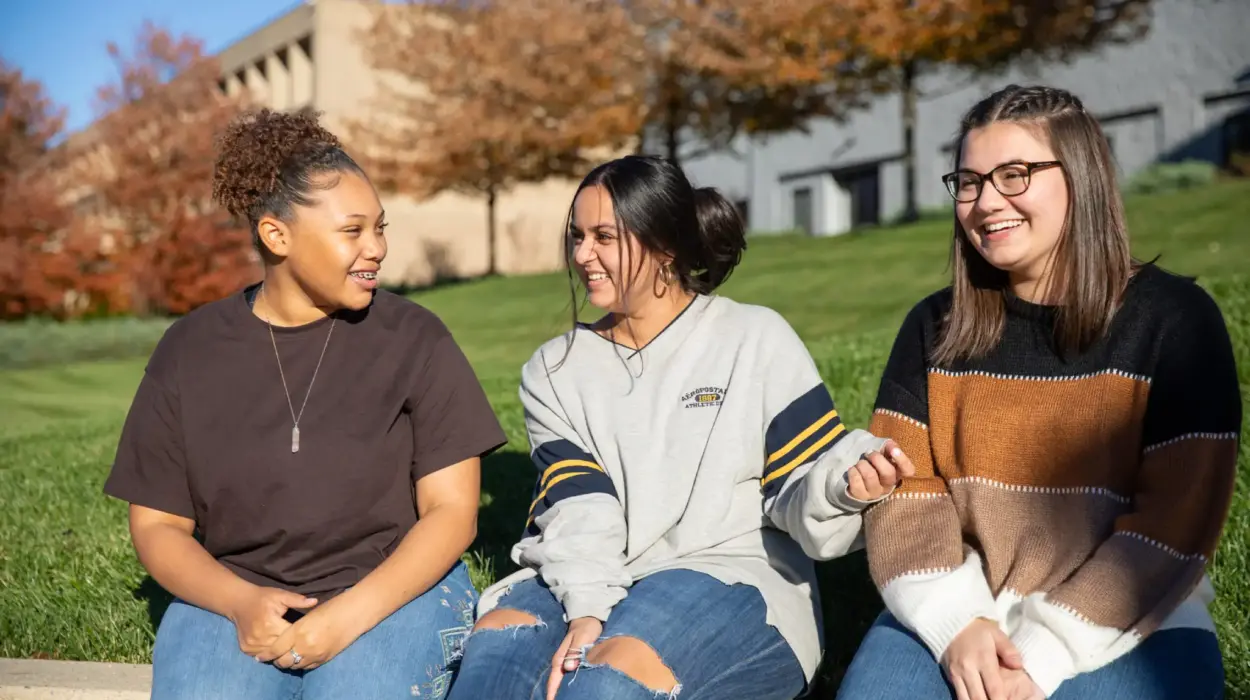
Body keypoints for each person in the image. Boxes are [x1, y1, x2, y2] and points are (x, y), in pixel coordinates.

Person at [445, 154, 915, 700]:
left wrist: (845, 485)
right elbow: (579, 508)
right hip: (585, 572)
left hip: (732, 573)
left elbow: (802, 479)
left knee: (605, 684)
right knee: (493, 674)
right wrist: (590, 608)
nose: (582, 255)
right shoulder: (554, 369)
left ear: (665, 246)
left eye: (604, 236)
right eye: (577, 236)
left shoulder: (753, 337)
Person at [837, 84, 1241, 700]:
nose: (984, 202)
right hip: (962, 610)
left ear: (1080, 178)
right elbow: (909, 491)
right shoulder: (934, 327)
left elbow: (1174, 523)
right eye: (968, 182)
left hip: (1133, 621)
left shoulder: (1174, 320)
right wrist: (955, 622)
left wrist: (1044, 651)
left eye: (1014, 174)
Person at [103, 107, 507, 700]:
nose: (377, 248)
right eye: (353, 231)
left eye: (380, 227)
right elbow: (159, 524)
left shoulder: (415, 338)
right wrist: (239, 603)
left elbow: (452, 511)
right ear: (276, 235)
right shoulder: (189, 351)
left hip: (396, 591)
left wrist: (344, 618)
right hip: (232, 594)